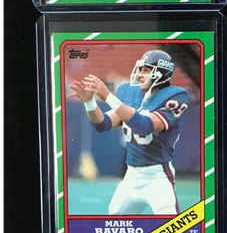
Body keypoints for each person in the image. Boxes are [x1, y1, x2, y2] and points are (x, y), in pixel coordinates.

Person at [70, 49, 190, 215]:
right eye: (140, 69)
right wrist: (89, 102)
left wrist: (108, 97)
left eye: (146, 70)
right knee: (114, 224)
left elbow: (145, 126)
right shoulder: (130, 93)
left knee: (170, 227)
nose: (140, 74)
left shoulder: (176, 96)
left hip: (158, 178)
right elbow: (102, 124)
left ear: (161, 74)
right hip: (131, 177)